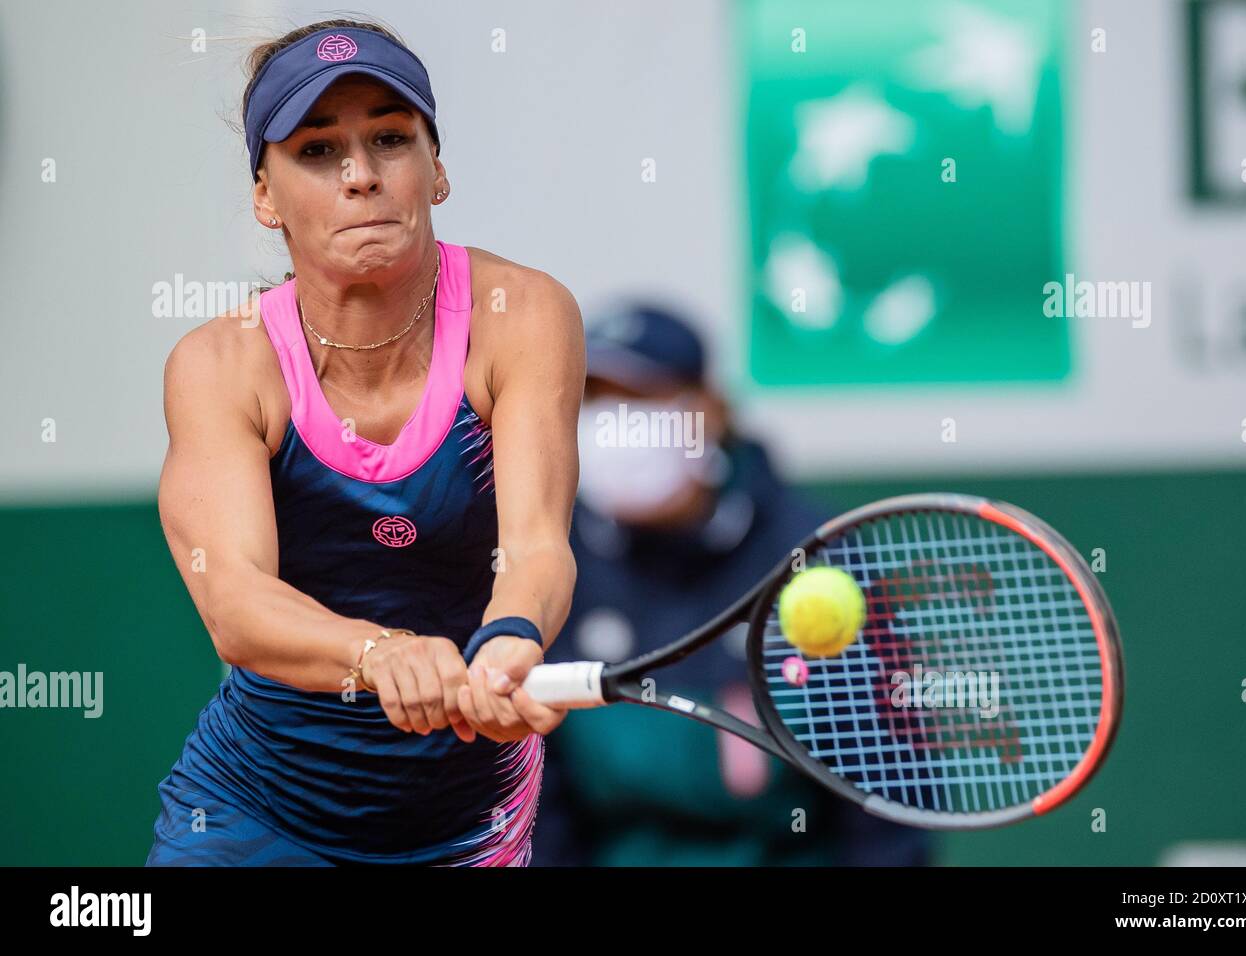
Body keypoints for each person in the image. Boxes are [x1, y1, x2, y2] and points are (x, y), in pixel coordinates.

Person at [146, 19, 584, 866]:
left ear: (437, 168)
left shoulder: (522, 314)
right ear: (265, 197)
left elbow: (536, 544)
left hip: (468, 826)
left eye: (390, 138)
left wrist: (508, 638)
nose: (360, 175)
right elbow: (233, 603)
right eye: (317, 151)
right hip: (253, 818)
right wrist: (379, 653)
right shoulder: (219, 365)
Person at [530, 303, 931, 866]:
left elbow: (889, 790)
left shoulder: (815, 555)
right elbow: (541, 801)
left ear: (709, 411)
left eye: (642, 398)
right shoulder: (551, 566)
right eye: (594, 400)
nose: (615, 424)